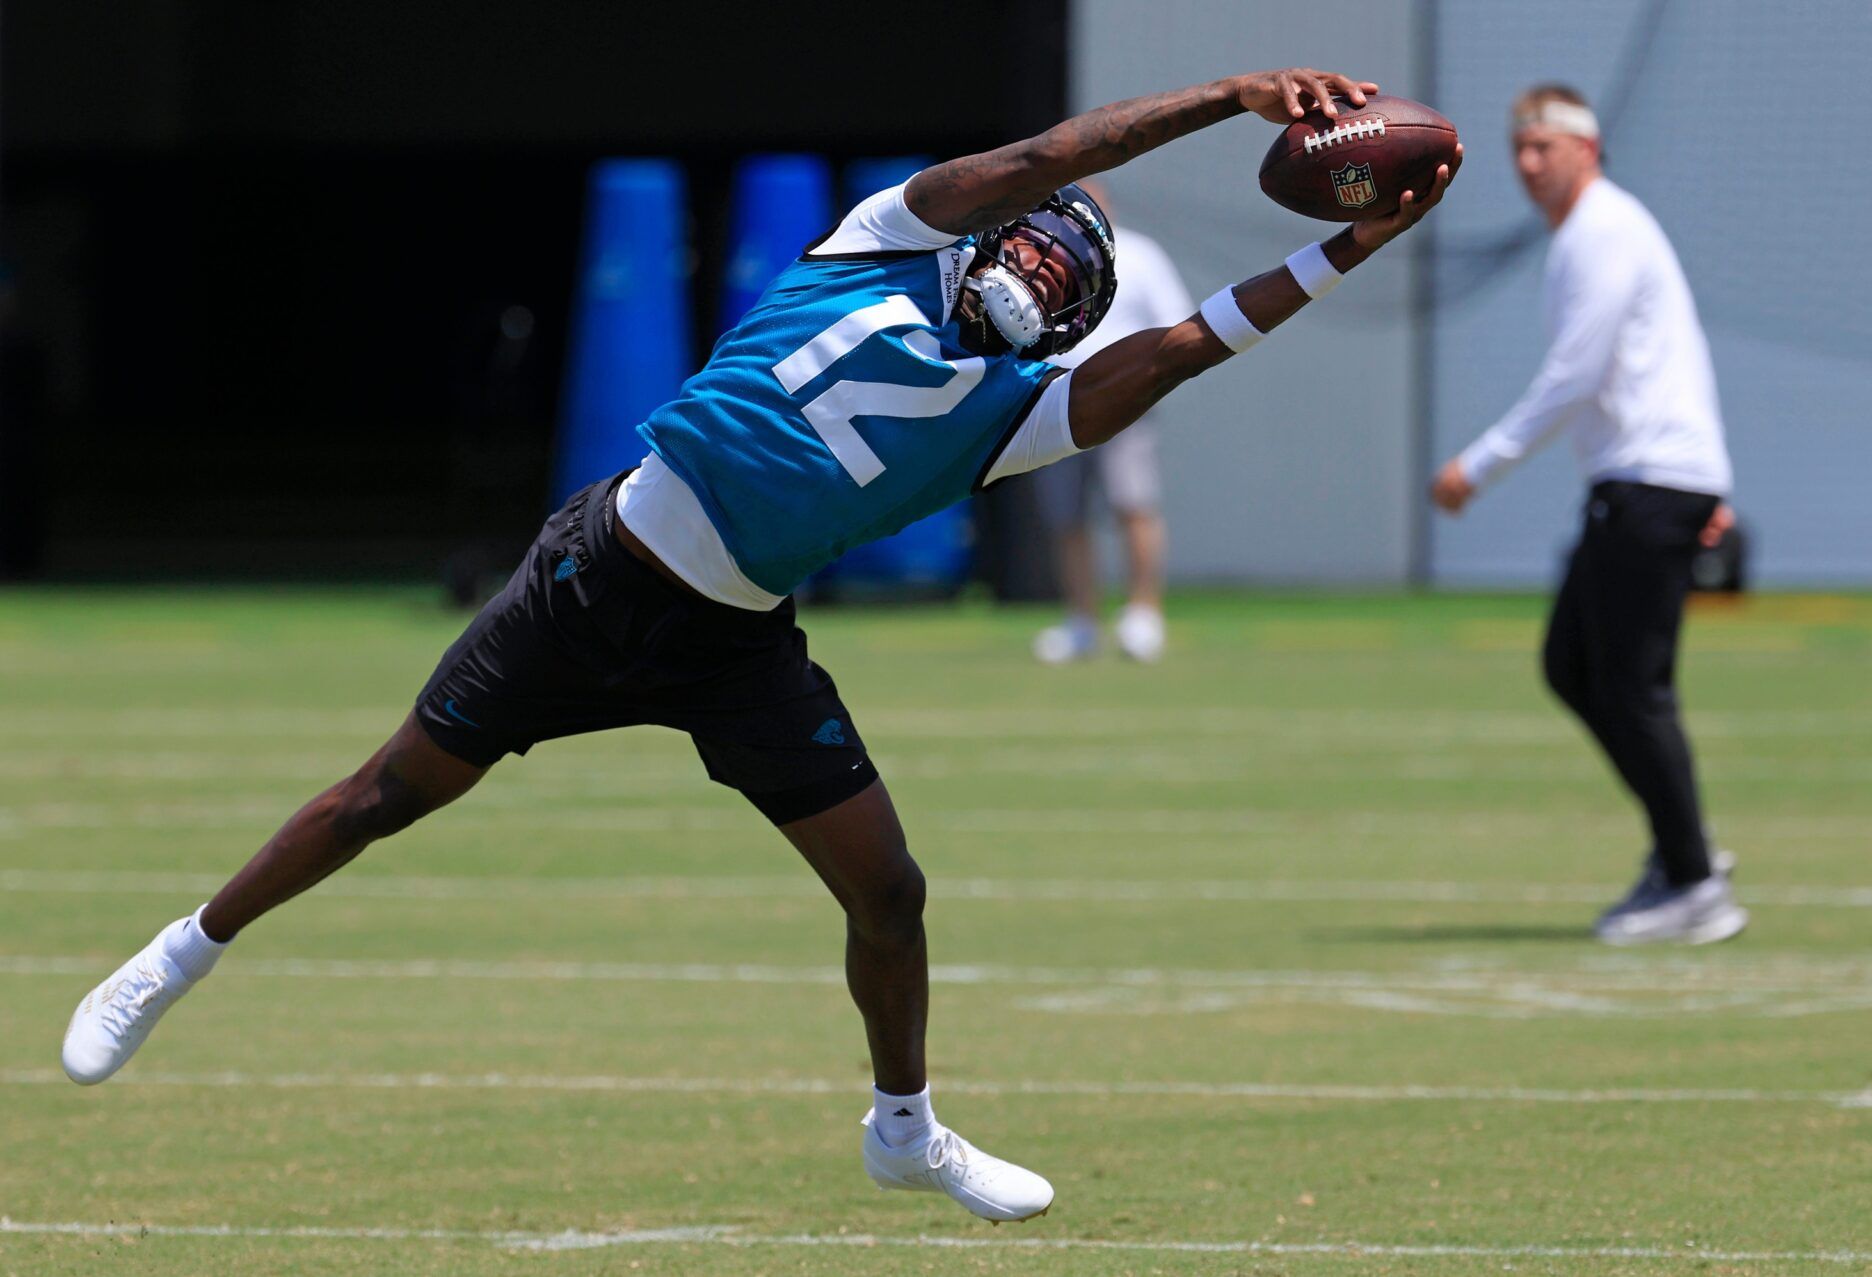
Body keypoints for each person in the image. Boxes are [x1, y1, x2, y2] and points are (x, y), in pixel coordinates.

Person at [62, 67, 1459, 1224]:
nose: (1039, 266)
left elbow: (1193, 344)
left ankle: (903, 1125)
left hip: (735, 646)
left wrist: (1347, 245)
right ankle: (180, 951)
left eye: (1067, 272)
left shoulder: (1020, 413)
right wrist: (1228, 98)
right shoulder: (880, 241)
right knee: (388, 794)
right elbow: (1048, 149)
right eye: (1034, 238)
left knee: (892, 893)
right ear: (990, 235)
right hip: (596, 576)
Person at [1429, 83, 1742, 946]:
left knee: (1631, 687)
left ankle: (1692, 881)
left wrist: (1477, 465)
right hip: (1646, 482)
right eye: (1519, 147)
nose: (1529, 163)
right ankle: (1686, 851)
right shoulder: (1596, 233)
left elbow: (1576, 373)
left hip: (1649, 483)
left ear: (1588, 149)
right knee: (1574, 665)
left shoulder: (1602, 231)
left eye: (1547, 146)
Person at [1030, 186, 1193, 664]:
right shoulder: (1040, 254)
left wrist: (1143, 381)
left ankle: (1143, 616)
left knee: (1133, 504)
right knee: (1067, 516)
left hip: (1125, 403)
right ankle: (1082, 622)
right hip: (1053, 400)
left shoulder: (1139, 254)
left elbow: (1176, 324)